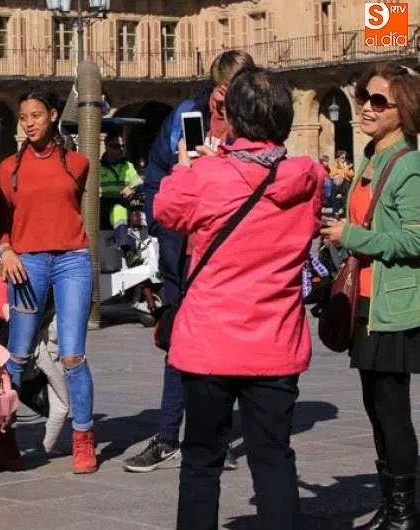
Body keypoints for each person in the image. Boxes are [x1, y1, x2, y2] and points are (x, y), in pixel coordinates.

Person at [155, 67, 322, 530]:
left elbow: (165, 210)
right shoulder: (308, 178)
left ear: (234, 118)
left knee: (201, 460)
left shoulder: (206, 175)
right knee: (273, 458)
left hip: (208, 342)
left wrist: (189, 164)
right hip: (275, 344)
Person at [127, 49, 255, 474]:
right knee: (176, 342)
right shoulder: (186, 113)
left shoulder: (253, 120)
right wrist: (165, 219)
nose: (224, 101)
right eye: (221, 91)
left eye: (233, 92)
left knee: (227, 345)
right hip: (182, 249)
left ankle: (215, 435)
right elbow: (156, 176)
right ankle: (167, 436)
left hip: (228, 251)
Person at [321, 63, 420, 530]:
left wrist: (354, 236)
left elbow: (416, 240)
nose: (367, 106)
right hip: (365, 301)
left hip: (392, 304)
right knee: (374, 406)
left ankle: (404, 512)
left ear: (404, 111)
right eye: (365, 97)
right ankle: (391, 504)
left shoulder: (408, 165)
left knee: (391, 407)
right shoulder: (371, 158)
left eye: (380, 101)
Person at [0, 89, 97, 474]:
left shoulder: (78, 163)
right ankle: (6, 437)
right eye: (23, 117)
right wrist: (6, 251)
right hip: (27, 264)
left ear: (53, 115)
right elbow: (1, 222)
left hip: (73, 260)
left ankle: (83, 438)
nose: (30, 122)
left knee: (73, 354)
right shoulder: (8, 169)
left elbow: (69, 209)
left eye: (36, 115)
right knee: (17, 355)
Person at [98, 134, 143, 265]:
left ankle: (126, 246)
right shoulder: (98, 168)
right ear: (107, 147)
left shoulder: (128, 166)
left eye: (122, 146)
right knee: (118, 210)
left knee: (122, 209)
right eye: (116, 146)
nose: (120, 149)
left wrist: (133, 190)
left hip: (123, 204)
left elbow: (139, 185)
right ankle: (127, 250)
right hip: (103, 206)